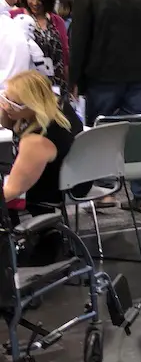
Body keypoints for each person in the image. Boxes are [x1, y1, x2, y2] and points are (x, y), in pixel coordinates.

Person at [69, 0, 141, 213]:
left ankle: (105, 192)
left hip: (101, 77)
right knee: (139, 136)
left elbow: (79, 41)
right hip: (138, 76)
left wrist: (74, 79)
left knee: (101, 134)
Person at [1, 71, 90, 264]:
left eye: (13, 103)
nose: (6, 105)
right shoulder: (58, 107)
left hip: (47, 190)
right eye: (5, 98)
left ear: (32, 105)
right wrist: (7, 108)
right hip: (76, 177)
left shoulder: (37, 141)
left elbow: (12, 191)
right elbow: (11, 121)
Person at [11, 0, 71, 109]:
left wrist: (71, 84)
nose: (34, 3)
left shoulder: (57, 21)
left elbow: (65, 55)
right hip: (27, 86)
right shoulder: (14, 17)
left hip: (56, 85)